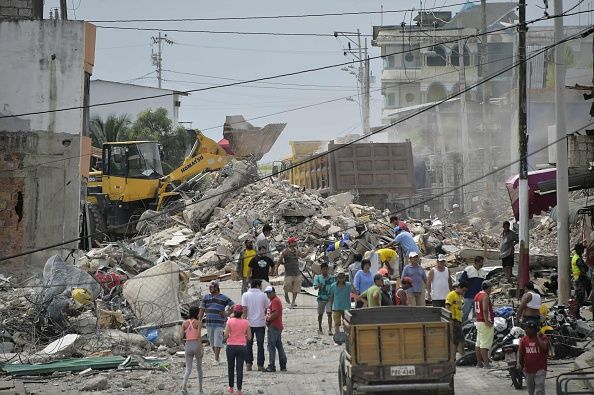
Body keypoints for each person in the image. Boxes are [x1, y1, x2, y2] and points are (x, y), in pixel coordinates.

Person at [198, 281, 234, 365]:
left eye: (211, 287)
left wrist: (227, 313)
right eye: (209, 287)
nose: (209, 289)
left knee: (218, 339)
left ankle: (216, 358)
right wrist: (199, 320)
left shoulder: (223, 298)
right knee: (211, 340)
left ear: (216, 288)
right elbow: (202, 309)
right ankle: (216, 357)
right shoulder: (206, 297)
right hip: (209, 322)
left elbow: (233, 305)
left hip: (219, 322)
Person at [241, 279, 269, 372]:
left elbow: (244, 310)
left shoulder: (245, 295)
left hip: (249, 323)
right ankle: (260, 365)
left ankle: (248, 364)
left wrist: (244, 323)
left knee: (248, 344)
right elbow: (266, 308)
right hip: (260, 323)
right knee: (260, 345)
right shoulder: (263, 295)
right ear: (257, 285)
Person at [224, 304, 251, 395]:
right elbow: (249, 337)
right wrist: (243, 336)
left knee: (230, 367)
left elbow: (226, 335)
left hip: (231, 346)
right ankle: (239, 390)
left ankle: (231, 387)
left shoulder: (230, 322)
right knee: (239, 368)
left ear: (234, 312)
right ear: (242, 312)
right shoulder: (246, 322)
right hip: (242, 346)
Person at [518, 320, 549, 395]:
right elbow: (521, 353)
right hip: (528, 369)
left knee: (539, 389)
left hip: (540, 369)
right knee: (531, 390)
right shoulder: (524, 340)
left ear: (534, 330)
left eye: (527, 329)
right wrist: (519, 363)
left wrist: (538, 336)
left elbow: (544, 347)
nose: (525, 330)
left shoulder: (543, 338)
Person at [277, 236, 310, 307]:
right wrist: (276, 269)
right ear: (290, 243)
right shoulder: (285, 251)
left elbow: (303, 256)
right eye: (294, 241)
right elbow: (279, 261)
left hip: (297, 272)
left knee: (296, 288)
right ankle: (286, 294)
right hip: (289, 273)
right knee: (287, 286)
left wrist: (308, 251)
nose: (296, 242)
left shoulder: (296, 251)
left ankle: (293, 302)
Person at [180, 306, 204, 395]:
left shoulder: (184, 323)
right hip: (196, 345)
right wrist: (201, 348)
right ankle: (200, 389)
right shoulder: (198, 323)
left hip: (188, 345)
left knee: (188, 369)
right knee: (199, 368)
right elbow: (198, 336)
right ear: (197, 313)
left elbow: (181, 337)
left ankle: (184, 387)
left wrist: (185, 345)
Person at [264, 286, 287, 372]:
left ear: (274, 292)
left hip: (274, 326)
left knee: (271, 346)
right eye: (267, 293)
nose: (268, 295)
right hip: (275, 326)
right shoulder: (273, 301)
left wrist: (268, 319)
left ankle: (272, 365)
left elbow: (276, 313)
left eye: (269, 293)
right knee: (278, 345)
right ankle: (283, 364)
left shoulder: (275, 301)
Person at [459, 256, 486, 322]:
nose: (482, 264)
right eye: (481, 263)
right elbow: (462, 280)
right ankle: (462, 326)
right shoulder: (468, 270)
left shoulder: (483, 272)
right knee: (465, 312)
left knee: (477, 313)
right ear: (476, 262)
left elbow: (484, 284)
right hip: (468, 296)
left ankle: (473, 327)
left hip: (478, 297)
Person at [474, 280, 495, 368]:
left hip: (478, 321)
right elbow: (485, 309)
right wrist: (487, 321)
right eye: (491, 288)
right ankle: (486, 364)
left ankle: (479, 363)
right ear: (489, 288)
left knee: (478, 343)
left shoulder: (477, 295)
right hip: (484, 322)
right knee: (484, 344)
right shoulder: (485, 296)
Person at [446, 282, 469, 358]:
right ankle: (462, 355)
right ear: (459, 287)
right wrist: (449, 319)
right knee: (460, 339)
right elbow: (447, 306)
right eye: (463, 290)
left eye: (465, 291)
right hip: (453, 320)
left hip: (458, 320)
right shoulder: (452, 295)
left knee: (456, 340)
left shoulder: (459, 296)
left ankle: (454, 357)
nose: (464, 292)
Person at [313, 262, 335, 335]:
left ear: (328, 269)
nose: (325, 270)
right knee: (320, 314)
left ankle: (330, 330)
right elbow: (315, 287)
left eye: (326, 269)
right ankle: (320, 328)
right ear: (321, 270)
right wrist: (319, 285)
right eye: (323, 269)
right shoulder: (318, 278)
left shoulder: (331, 278)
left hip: (329, 298)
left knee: (329, 314)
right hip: (321, 298)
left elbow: (334, 288)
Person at [328, 268, 351, 334]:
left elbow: (354, 292)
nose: (341, 279)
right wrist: (331, 306)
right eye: (339, 277)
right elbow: (331, 297)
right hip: (336, 308)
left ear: (344, 277)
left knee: (346, 323)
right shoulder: (333, 286)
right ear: (337, 278)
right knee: (337, 324)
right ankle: (337, 337)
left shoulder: (348, 285)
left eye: (342, 277)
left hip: (346, 308)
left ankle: (346, 337)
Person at [572, 243, 591, 314]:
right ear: (579, 250)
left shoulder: (577, 257)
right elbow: (584, 270)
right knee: (580, 297)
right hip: (580, 279)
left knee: (580, 296)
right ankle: (576, 314)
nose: (583, 250)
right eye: (582, 249)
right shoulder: (578, 259)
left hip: (580, 279)